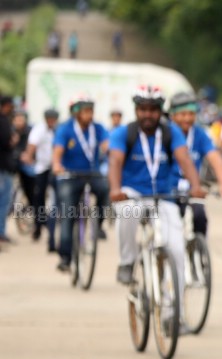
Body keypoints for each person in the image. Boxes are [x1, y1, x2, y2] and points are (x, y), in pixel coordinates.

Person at [108, 85, 204, 319]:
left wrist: (196, 185)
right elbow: (115, 162)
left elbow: (184, 158)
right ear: (136, 110)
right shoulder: (125, 133)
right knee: (127, 213)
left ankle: (175, 311)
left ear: (161, 111)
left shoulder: (171, 132)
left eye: (153, 109)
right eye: (143, 109)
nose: (148, 114)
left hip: (164, 196)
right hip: (133, 193)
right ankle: (127, 261)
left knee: (177, 250)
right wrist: (115, 189)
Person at [51, 93, 110, 270]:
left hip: (93, 174)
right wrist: (56, 165)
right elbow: (57, 152)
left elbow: (108, 146)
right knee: (68, 212)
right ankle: (65, 257)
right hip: (70, 175)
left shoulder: (98, 128)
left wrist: (112, 157)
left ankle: (97, 224)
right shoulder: (65, 129)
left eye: (91, 111)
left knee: (106, 188)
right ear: (76, 112)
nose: (89, 115)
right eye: (85, 111)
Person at [168, 91, 222, 239]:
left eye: (191, 114)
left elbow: (214, 157)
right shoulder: (165, 133)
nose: (188, 118)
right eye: (183, 114)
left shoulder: (199, 134)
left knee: (199, 216)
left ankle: (198, 253)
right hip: (167, 191)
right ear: (173, 115)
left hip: (192, 189)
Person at [22, 109, 60, 249]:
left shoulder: (57, 130)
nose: (51, 121)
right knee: (39, 198)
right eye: (49, 119)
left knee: (58, 198)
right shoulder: (39, 130)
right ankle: (38, 225)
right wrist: (29, 157)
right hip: (42, 168)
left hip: (55, 168)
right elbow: (32, 145)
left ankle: (52, 226)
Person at [0, 96, 17, 245]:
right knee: (3, 202)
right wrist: (12, 140)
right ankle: (1, 233)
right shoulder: (3, 120)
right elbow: (6, 140)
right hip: (3, 168)